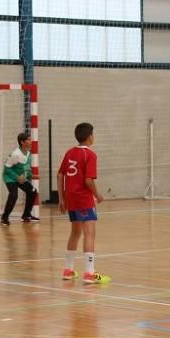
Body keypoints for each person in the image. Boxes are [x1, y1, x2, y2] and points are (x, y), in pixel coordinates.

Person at [58, 122, 110, 285]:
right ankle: (89, 273)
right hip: (84, 198)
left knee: (75, 233)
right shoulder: (90, 155)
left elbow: (60, 175)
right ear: (90, 137)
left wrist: (61, 198)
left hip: (71, 198)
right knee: (89, 234)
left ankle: (68, 270)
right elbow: (88, 180)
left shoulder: (69, 153)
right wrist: (98, 195)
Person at [1, 132, 37, 226]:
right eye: (28, 139)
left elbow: (26, 169)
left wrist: (30, 176)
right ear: (22, 142)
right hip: (10, 177)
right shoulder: (15, 154)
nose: (31, 141)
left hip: (20, 177)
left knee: (32, 191)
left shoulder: (28, 154)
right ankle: (4, 218)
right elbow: (7, 169)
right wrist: (17, 177)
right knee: (13, 195)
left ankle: (26, 215)